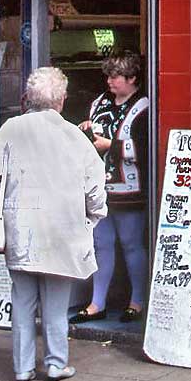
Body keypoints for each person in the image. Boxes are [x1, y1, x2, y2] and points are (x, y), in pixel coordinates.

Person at [0, 67, 107, 381]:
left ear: (29, 99)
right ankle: (55, 363)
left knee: (22, 299)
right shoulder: (74, 135)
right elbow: (95, 188)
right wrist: (94, 216)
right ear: (62, 100)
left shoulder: (11, 129)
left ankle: (22, 367)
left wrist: (1, 205)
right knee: (55, 302)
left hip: (21, 228)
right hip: (62, 230)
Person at [70, 51, 150, 325]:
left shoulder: (145, 107)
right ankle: (97, 302)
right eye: (108, 76)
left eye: (115, 77)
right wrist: (87, 130)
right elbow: (94, 137)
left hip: (130, 190)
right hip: (99, 188)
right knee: (100, 245)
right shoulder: (99, 103)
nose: (110, 81)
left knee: (131, 245)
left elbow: (146, 149)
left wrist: (110, 146)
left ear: (132, 78)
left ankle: (137, 300)